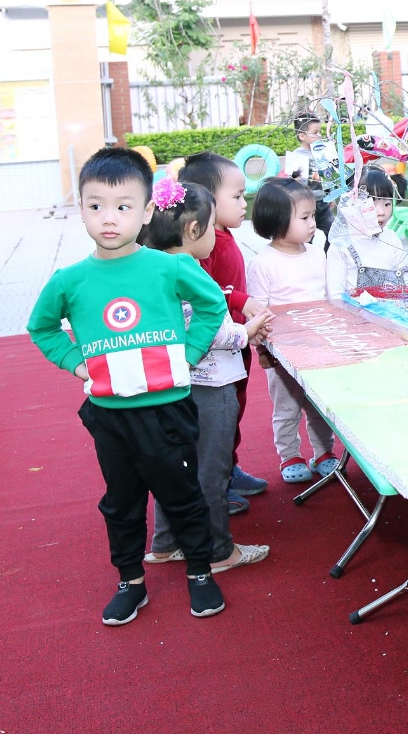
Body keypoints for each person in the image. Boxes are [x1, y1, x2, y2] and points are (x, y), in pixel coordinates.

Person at [26, 147, 230, 625]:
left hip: (168, 409)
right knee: (121, 503)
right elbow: (42, 328)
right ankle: (130, 582)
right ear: (81, 210)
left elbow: (212, 306)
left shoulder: (170, 267)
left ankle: (200, 572)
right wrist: (76, 363)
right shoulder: (69, 281)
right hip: (111, 415)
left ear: (147, 211)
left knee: (182, 496)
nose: (109, 218)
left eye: (123, 206)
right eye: (96, 206)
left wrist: (189, 353)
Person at [138, 179, 272, 576]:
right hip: (210, 387)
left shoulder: (150, 268)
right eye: (213, 226)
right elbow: (209, 327)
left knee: (175, 468)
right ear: (194, 230)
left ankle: (166, 543)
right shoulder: (190, 271)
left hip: (170, 387)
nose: (217, 234)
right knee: (211, 471)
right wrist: (247, 332)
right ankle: (218, 550)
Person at [176, 152, 271, 511]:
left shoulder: (225, 236)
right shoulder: (202, 245)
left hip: (235, 341)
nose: (244, 203)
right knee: (216, 417)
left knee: (234, 410)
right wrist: (242, 300)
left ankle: (227, 469)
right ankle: (214, 485)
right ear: (207, 202)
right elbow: (205, 290)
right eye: (237, 196)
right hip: (214, 349)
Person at [248, 177, 338, 485]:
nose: (313, 223)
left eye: (313, 215)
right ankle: (290, 455)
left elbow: (328, 296)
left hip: (319, 346)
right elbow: (258, 311)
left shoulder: (317, 253)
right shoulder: (263, 263)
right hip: (282, 352)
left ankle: (324, 452)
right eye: (304, 217)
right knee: (287, 408)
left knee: (319, 406)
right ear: (276, 220)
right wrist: (262, 349)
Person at [327, 167, 408, 295]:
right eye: (372, 205)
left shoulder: (392, 239)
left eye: (387, 204)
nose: (381, 212)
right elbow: (335, 295)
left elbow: (406, 283)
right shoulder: (341, 246)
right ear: (354, 203)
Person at [288, 112, 336, 238]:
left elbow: (328, 176)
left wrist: (331, 195)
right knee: (306, 235)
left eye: (320, 132)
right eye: (315, 132)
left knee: (333, 232)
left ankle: (327, 251)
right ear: (302, 136)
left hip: (322, 203)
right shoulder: (297, 155)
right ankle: (307, 250)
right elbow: (291, 182)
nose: (319, 135)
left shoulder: (322, 153)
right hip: (305, 204)